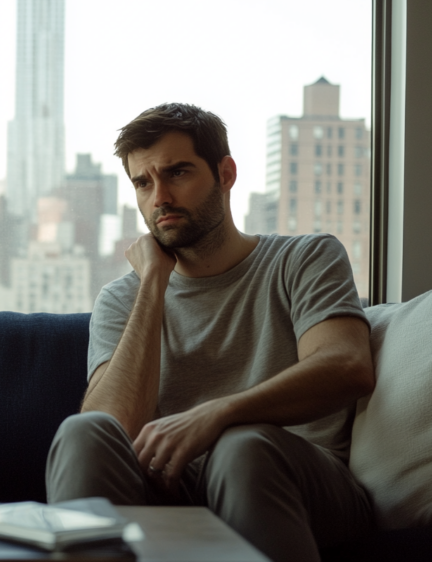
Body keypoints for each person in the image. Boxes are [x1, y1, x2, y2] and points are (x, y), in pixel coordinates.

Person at [45, 103, 375, 562]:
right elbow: (113, 425)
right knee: (83, 432)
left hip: (294, 482)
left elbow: (347, 365)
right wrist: (153, 283)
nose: (160, 197)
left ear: (225, 174)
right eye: (143, 183)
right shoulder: (123, 297)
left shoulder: (304, 258)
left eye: (177, 173)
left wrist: (219, 414)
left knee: (242, 445)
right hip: (170, 488)